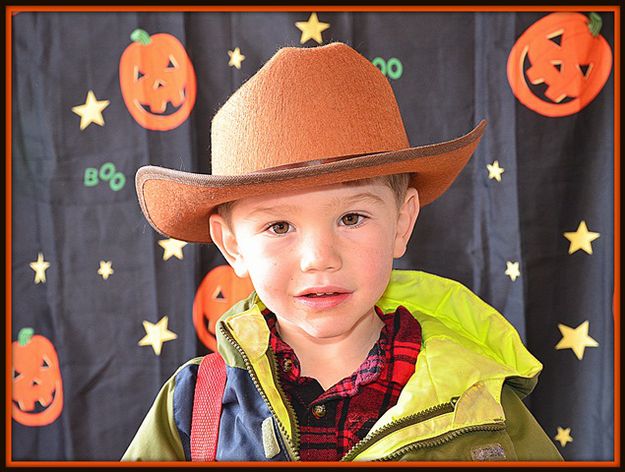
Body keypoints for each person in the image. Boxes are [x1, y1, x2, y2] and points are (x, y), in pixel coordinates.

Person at [122, 42, 563, 462]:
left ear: (403, 222)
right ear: (232, 245)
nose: (319, 258)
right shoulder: (194, 406)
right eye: (279, 226)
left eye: (352, 218)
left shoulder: (481, 407)